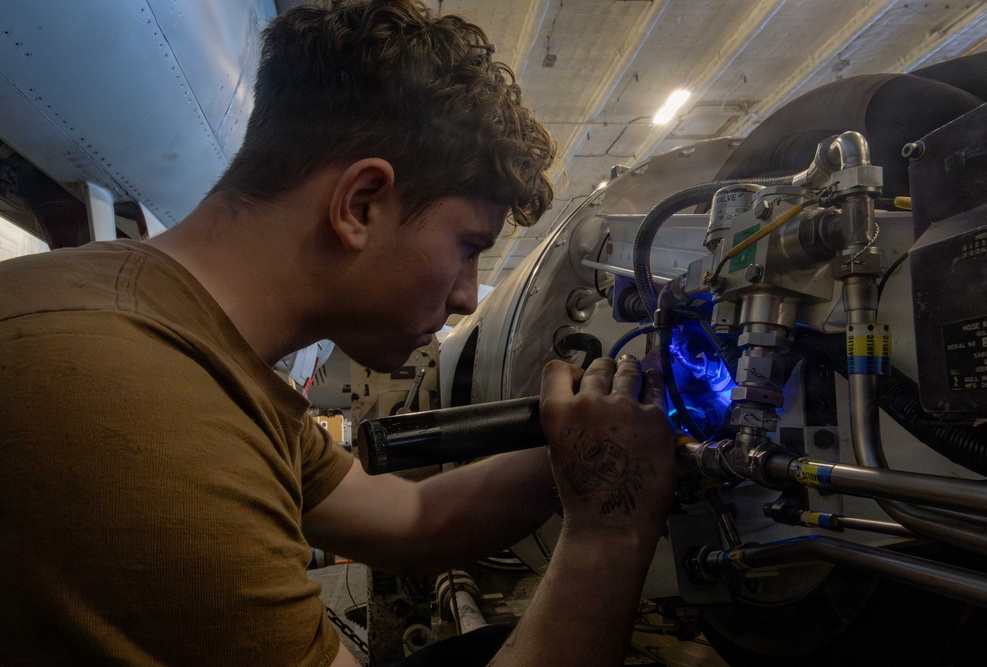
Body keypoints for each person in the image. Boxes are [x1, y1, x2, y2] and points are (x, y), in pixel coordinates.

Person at [0, 1, 676, 665]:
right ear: (359, 205)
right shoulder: (144, 416)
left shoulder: (177, 337)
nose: (470, 294)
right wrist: (610, 530)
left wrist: (595, 448)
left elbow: (413, 518)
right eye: (468, 245)